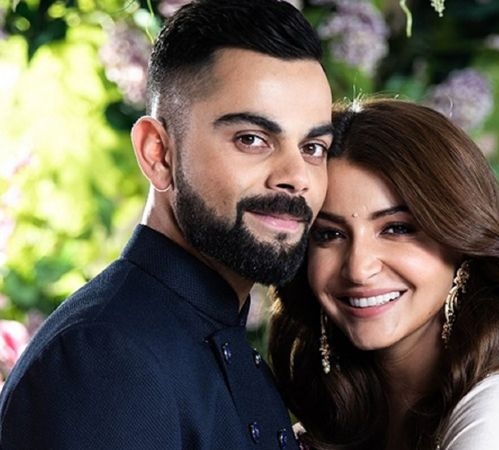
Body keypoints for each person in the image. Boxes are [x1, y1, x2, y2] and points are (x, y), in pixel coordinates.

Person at [0, 1, 334, 448]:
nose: (296, 176)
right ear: (157, 153)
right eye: (252, 139)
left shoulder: (219, 337)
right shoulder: (105, 360)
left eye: (313, 147)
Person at [269, 99, 499, 450]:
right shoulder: (331, 426)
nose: (358, 268)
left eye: (397, 229)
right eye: (329, 234)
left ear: (461, 241)